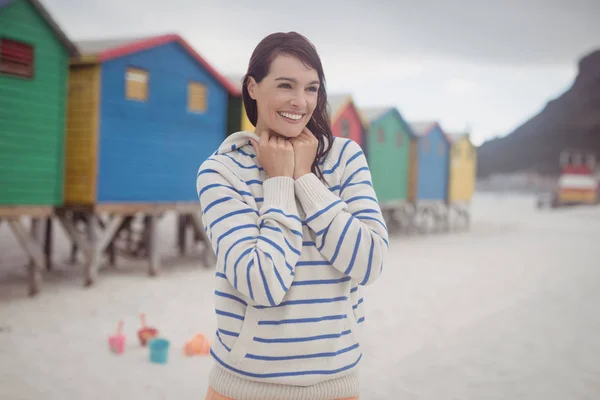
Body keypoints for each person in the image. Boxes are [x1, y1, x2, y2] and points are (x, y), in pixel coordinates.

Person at [196, 31, 389, 400]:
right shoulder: (221, 172)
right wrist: (280, 182)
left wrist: (305, 179)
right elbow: (262, 285)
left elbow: (370, 263)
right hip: (243, 389)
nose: (300, 102)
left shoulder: (345, 159)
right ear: (252, 87)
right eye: (286, 85)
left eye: (312, 88)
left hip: (336, 387)